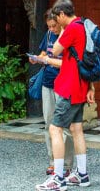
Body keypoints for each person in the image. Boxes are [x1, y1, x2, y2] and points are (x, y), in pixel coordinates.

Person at [35, 0, 95, 190]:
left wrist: (62, 31)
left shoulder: (72, 28)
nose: (55, 24)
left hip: (69, 86)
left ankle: (58, 178)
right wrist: (91, 87)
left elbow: (56, 49)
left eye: (57, 19)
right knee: (76, 129)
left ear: (62, 14)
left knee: (55, 129)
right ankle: (82, 175)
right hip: (80, 85)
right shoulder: (84, 26)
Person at [30, 10, 75, 176]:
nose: (52, 29)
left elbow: (70, 64)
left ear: (61, 20)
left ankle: (67, 165)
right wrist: (37, 57)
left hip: (64, 83)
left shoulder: (68, 36)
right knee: (49, 123)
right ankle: (53, 162)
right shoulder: (49, 34)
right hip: (48, 82)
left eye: (54, 26)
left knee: (65, 126)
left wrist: (49, 60)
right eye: (49, 26)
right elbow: (44, 52)